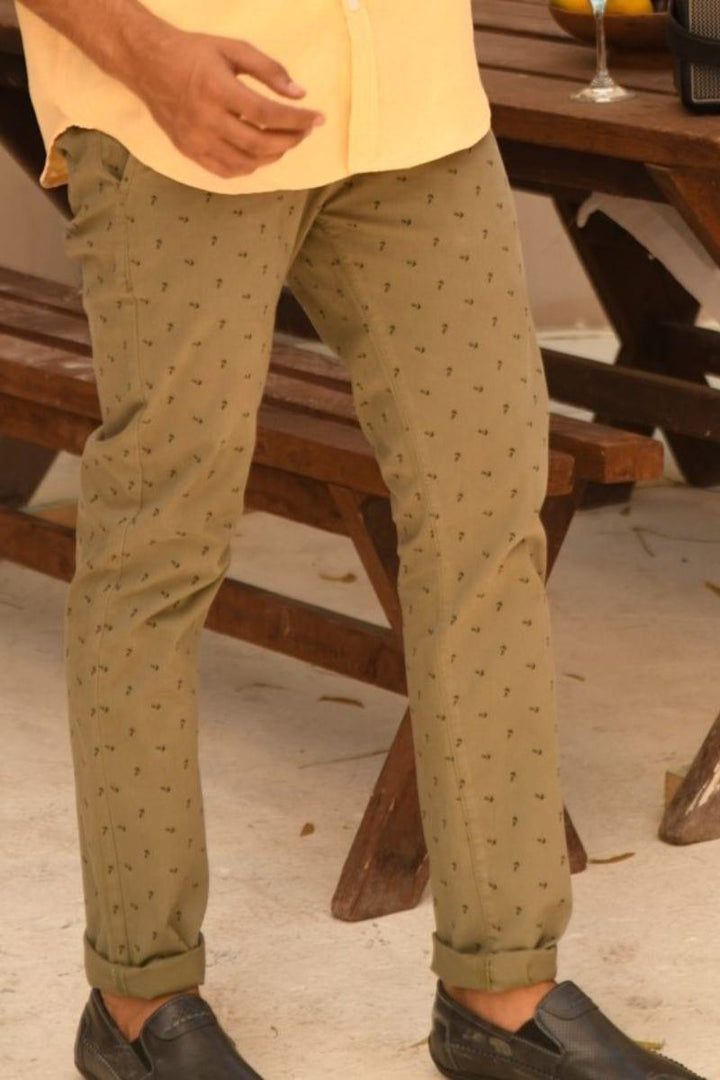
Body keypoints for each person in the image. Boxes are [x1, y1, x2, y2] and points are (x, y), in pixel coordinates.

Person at [14, 2, 703, 1078]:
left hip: (414, 104)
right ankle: (139, 1004)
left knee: (488, 520)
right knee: (160, 543)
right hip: (181, 104)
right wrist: (149, 56)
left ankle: (501, 993)